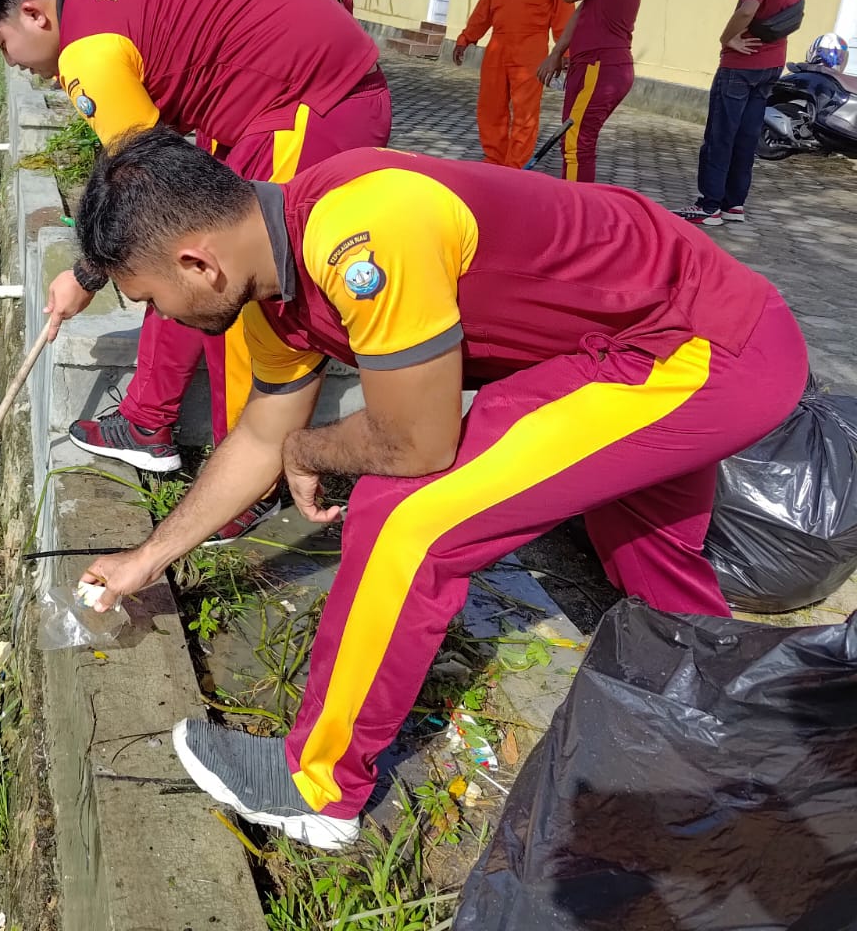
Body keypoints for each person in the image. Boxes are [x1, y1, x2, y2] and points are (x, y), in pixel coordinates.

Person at [73, 127, 806, 850]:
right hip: (642, 335)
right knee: (649, 555)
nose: (154, 317)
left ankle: (318, 789)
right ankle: (730, 738)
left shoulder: (362, 230)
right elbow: (262, 439)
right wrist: (149, 557)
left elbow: (417, 442)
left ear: (198, 263)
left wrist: (314, 446)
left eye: (147, 296)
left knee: (406, 515)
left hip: (702, 343)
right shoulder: (271, 289)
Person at [0, 0, 390, 539]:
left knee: (241, 296)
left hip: (311, 109)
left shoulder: (89, 53)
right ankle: (149, 420)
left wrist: (84, 275)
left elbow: (148, 193)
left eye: (3, 46)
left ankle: (249, 485)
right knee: (177, 269)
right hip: (275, 104)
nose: (14, 63)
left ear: (33, 13)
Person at [675, 0, 804, 227]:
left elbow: (748, 10)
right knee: (747, 137)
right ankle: (734, 204)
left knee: (721, 135)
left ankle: (709, 205)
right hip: (771, 66)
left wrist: (726, 38)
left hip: (740, 66)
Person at [536, 0, 649, 183]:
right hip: (601, 64)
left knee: (575, 141)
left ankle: (576, 211)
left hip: (599, 66)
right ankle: (577, 204)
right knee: (577, 140)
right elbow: (583, 10)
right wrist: (558, 52)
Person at [453, 0, 572, 168]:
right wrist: (466, 38)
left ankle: (516, 168)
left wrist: (564, 53)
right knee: (490, 109)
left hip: (531, 52)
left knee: (525, 114)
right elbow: (484, 10)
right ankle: (494, 160)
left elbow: (564, 14)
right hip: (497, 49)